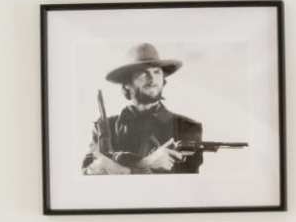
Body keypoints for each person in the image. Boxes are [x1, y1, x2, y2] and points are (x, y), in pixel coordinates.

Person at [85, 44, 214, 174]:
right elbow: (91, 174)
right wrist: (146, 163)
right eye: (143, 72)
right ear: (127, 84)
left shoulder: (187, 127)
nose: (152, 79)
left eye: (157, 72)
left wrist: (118, 168)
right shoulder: (105, 127)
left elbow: (185, 184)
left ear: (163, 79)